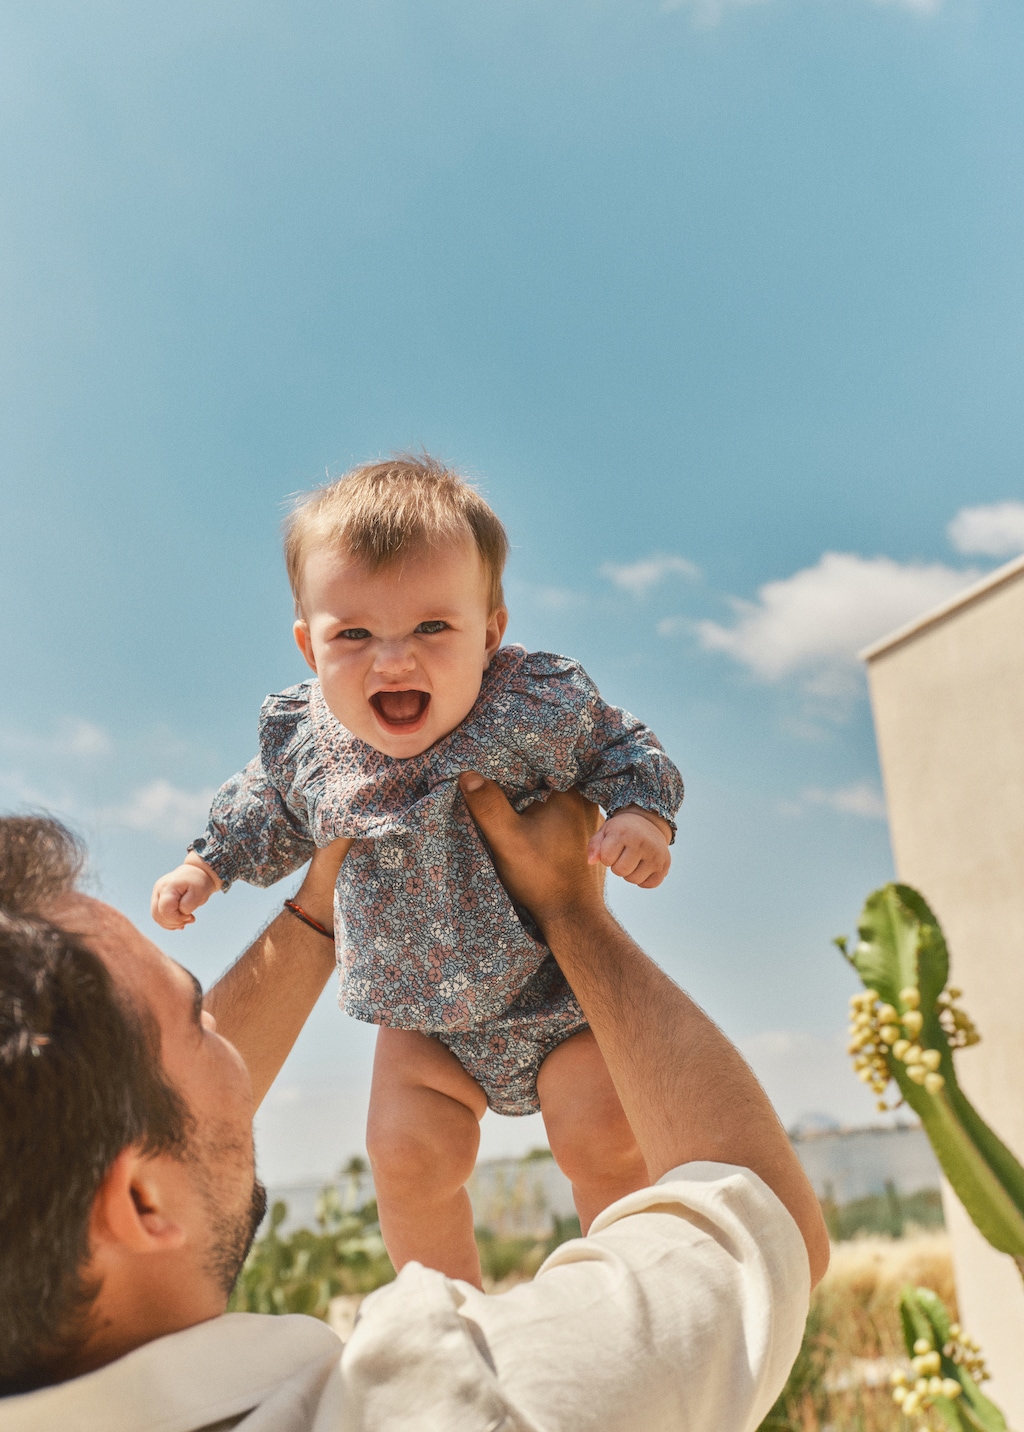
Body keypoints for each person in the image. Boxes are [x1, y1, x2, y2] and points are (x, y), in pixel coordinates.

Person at [0, 779, 828, 1430]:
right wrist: (570, 909)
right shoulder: (450, 1402)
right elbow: (761, 1215)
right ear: (142, 1201)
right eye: (196, 1016)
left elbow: (107, 1130)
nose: (228, 1039)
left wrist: (323, 904)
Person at [150, 456, 685, 1284]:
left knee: (604, 1139)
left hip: (555, 995)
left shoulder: (528, 707)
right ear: (308, 646)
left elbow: (619, 746)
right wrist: (205, 864)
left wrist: (639, 813)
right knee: (403, 1159)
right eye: (354, 635)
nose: (393, 661)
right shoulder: (310, 747)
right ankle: (447, 1321)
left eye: (432, 629)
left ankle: (631, 1297)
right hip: (418, 1015)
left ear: (490, 632)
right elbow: (264, 810)